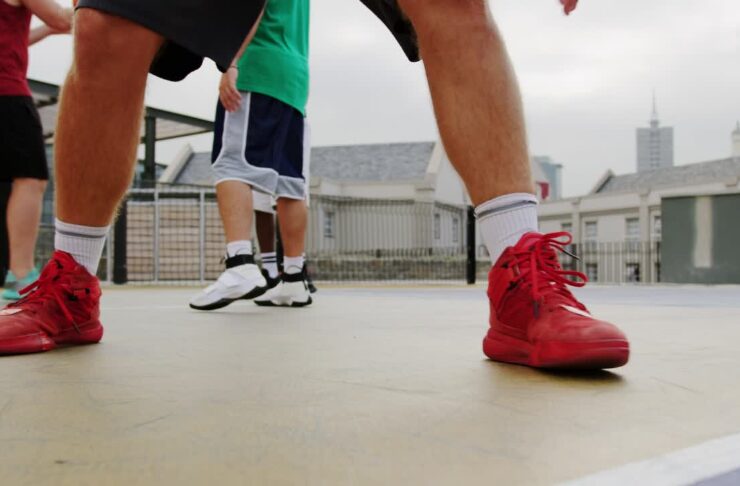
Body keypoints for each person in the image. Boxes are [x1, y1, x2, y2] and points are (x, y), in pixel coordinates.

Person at [0, 0, 630, 370]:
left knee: (454, 2)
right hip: (277, 74)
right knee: (109, 23)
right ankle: (72, 282)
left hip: (278, 76)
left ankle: (521, 282)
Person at [188, 0, 312, 310]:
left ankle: (240, 263)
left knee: (230, 165)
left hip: (258, 67)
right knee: (290, 183)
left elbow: (250, 5)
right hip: (294, 79)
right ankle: (294, 280)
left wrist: (232, 62)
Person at [0, 0, 73, 301]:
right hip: (7, 94)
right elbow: (62, 19)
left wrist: (47, 30)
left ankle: (14, 273)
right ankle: (20, 274)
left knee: (11, 182)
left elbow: (17, 38)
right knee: (30, 179)